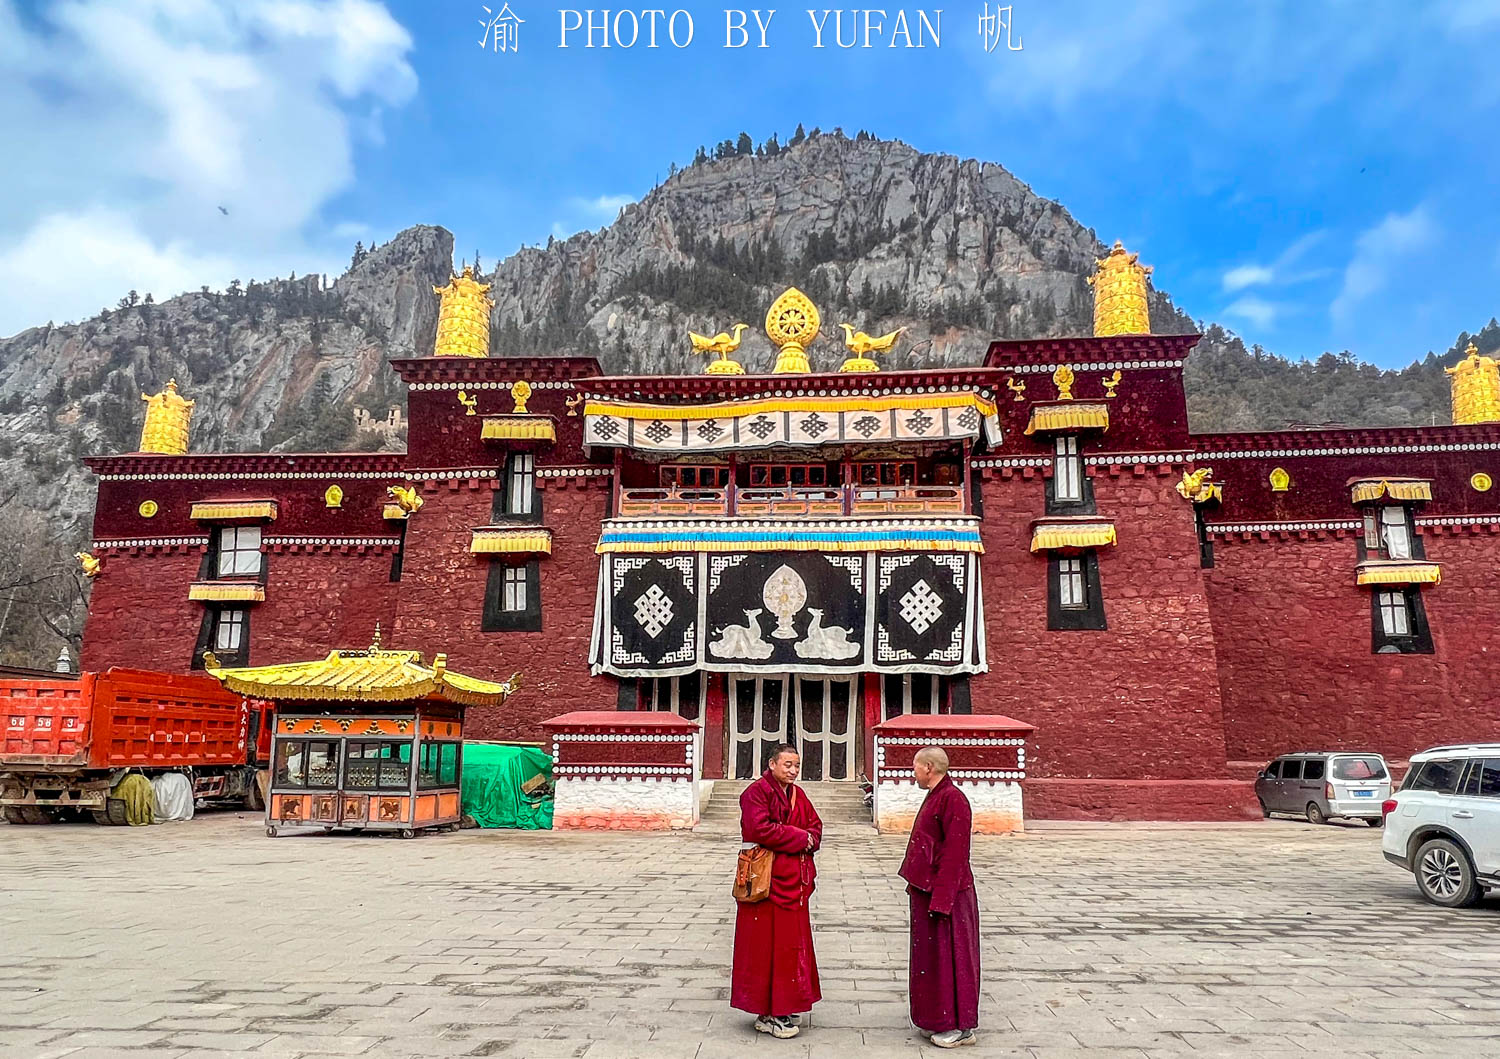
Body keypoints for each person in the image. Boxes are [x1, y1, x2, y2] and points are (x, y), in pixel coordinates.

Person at [730, 743, 823, 1039]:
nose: (793, 771)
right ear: (771, 764)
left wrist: (808, 837)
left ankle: (786, 1002)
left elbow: (816, 826)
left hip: (792, 883)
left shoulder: (797, 794)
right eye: (787, 765)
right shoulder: (755, 793)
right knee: (765, 948)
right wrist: (800, 837)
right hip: (765, 883)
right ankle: (767, 1009)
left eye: (796, 765)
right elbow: (761, 830)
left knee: (790, 947)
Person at [899, 746, 981, 1048]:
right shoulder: (936, 795)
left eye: (916, 767)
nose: (913, 772)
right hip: (928, 891)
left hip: (948, 895)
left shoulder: (954, 799)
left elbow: (956, 854)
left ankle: (959, 1025)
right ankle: (936, 1018)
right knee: (932, 960)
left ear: (929, 767)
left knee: (952, 960)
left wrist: (942, 900)